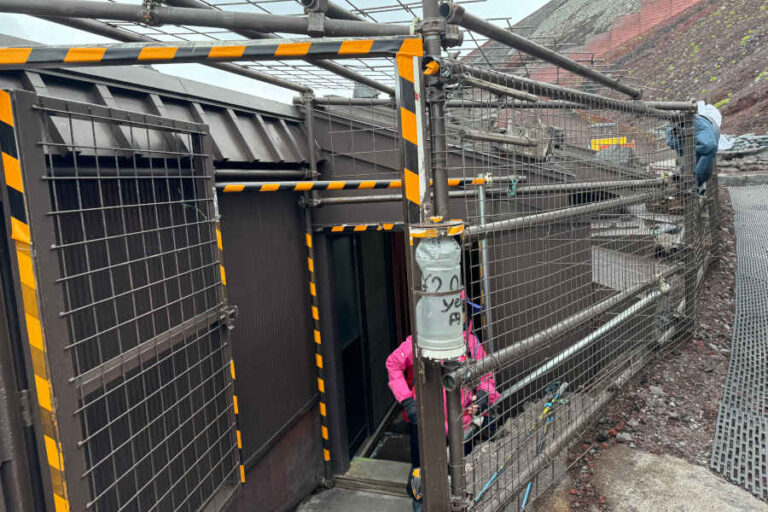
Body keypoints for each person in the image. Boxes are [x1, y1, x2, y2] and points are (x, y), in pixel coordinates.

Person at [385, 294, 500, 510]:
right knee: (422, 482)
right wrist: (408, 401)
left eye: (460, 310)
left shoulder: (471, 343)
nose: (455, 317)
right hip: (426, 424)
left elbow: (487, 376)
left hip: (462, 427)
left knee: (459, 480)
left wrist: (483, 397)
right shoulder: (420, 342)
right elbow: (393, 363)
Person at [666, 103, 721, 195]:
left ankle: (696, 185)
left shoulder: (701, 126)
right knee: (689, 162)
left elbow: (710, 146)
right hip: (694, 142)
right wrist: (682, 145)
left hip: (707, 136)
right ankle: (686, 182)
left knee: (704, 159)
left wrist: (696, 179)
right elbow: (671, 142)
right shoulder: (672, 127)